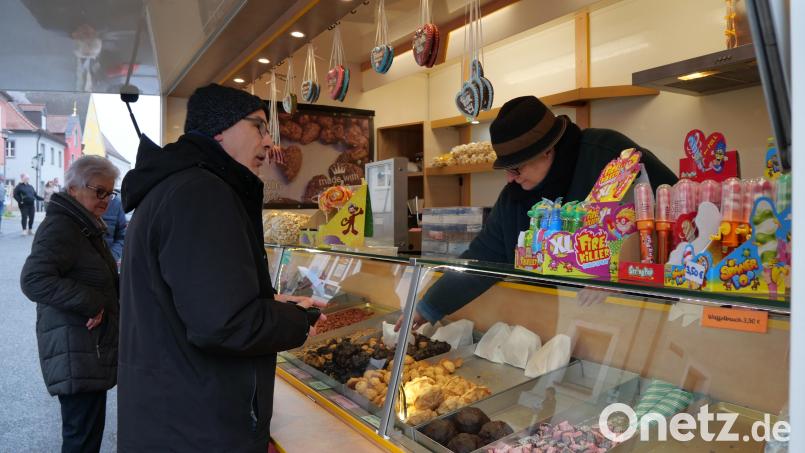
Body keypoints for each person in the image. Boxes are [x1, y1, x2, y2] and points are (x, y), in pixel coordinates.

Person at [118, 83, 324, 452]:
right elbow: (224, 325)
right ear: (219, 130)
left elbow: (199, 300)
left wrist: (268, 302)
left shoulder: (177, 187)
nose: (268, 142)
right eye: (258, 126)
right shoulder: (202, 193)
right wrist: (297, 320)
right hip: (197, 427)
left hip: (173, 414)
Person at [398, 95, 678, 329]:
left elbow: (676, 211)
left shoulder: (608, 155)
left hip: (642, 315)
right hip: (565, 321)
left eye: (516, 168)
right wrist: (427, 307)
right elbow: (484, 258)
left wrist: (626, 274)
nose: (510, 179)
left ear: (548, 150)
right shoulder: (515, 198)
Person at [20, 156, 121, 453]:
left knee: (85, 436)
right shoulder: (63, 227)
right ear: (74, 188)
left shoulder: (84, 225)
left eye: (110, 193)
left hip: (85, 348)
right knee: (81, 439)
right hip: (76, 349)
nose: (105, 199)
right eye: (98, 191)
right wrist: (92, 303)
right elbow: (33, 279)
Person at [101, 194, 126, 265]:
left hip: (106, 264)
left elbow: (122, 237)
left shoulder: (116, 203)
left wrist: (111, 257)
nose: (106, 199)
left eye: (109, 193)